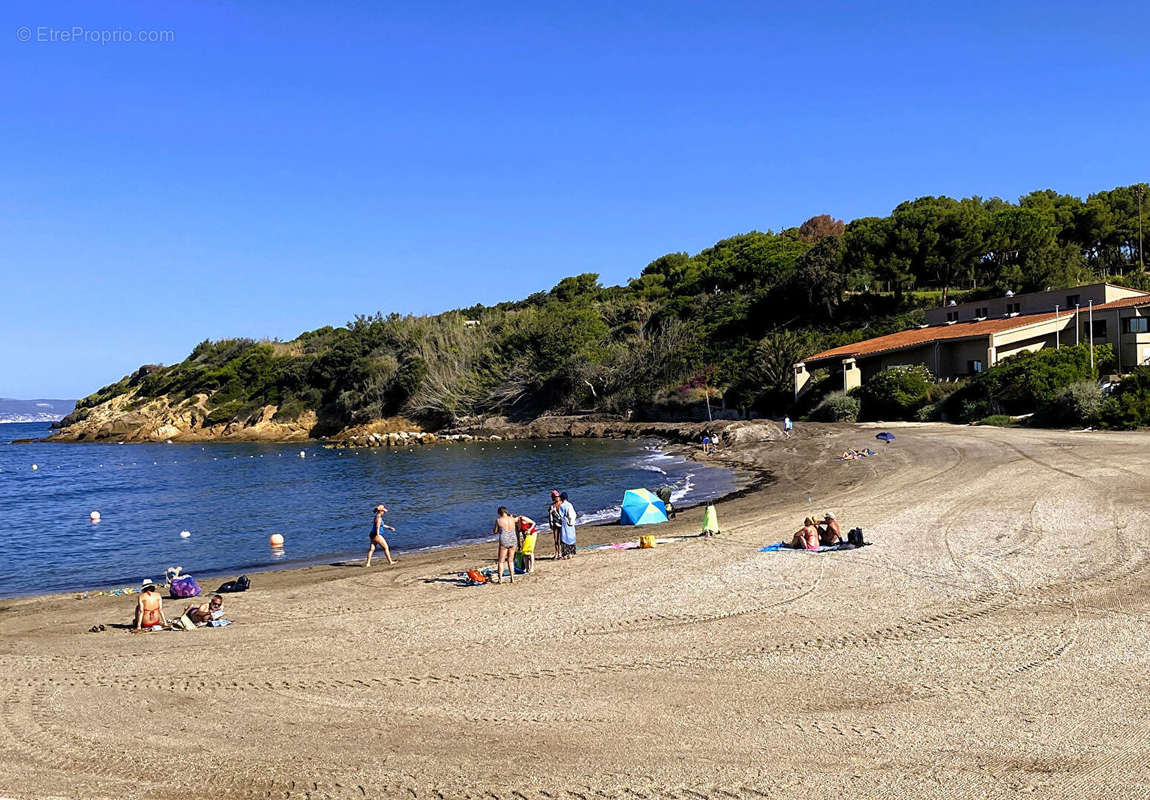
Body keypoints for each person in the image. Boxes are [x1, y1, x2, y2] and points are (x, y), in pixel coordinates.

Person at [493, 507, 518, 583]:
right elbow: (518, 518)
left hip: (504, 539)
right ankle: (512, 578)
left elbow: (495, 531)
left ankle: (500, 579)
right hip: (513, 539)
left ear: (499, 513)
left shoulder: (498, 520)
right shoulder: (513, 519)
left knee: (501, 561)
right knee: (510, 560)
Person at [558, 492, 577, 558]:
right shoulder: (570, 504)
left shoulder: (562, 506)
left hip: (565, 523)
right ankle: (571, 553)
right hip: (571, 522)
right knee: (571, 537)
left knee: (564, 537)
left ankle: (565, 554)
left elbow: (560, 516)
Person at [547, 490, 563, 561]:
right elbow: (549, 515)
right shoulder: (552, 506)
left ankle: (561, 553)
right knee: (556, 539)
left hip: (562, 524)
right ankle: (557, 553)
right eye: (554, 497)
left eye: (556, 497)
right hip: (555, 524)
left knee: (562, 539)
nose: (555, 498)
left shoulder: (562, 504)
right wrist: (550, 524)